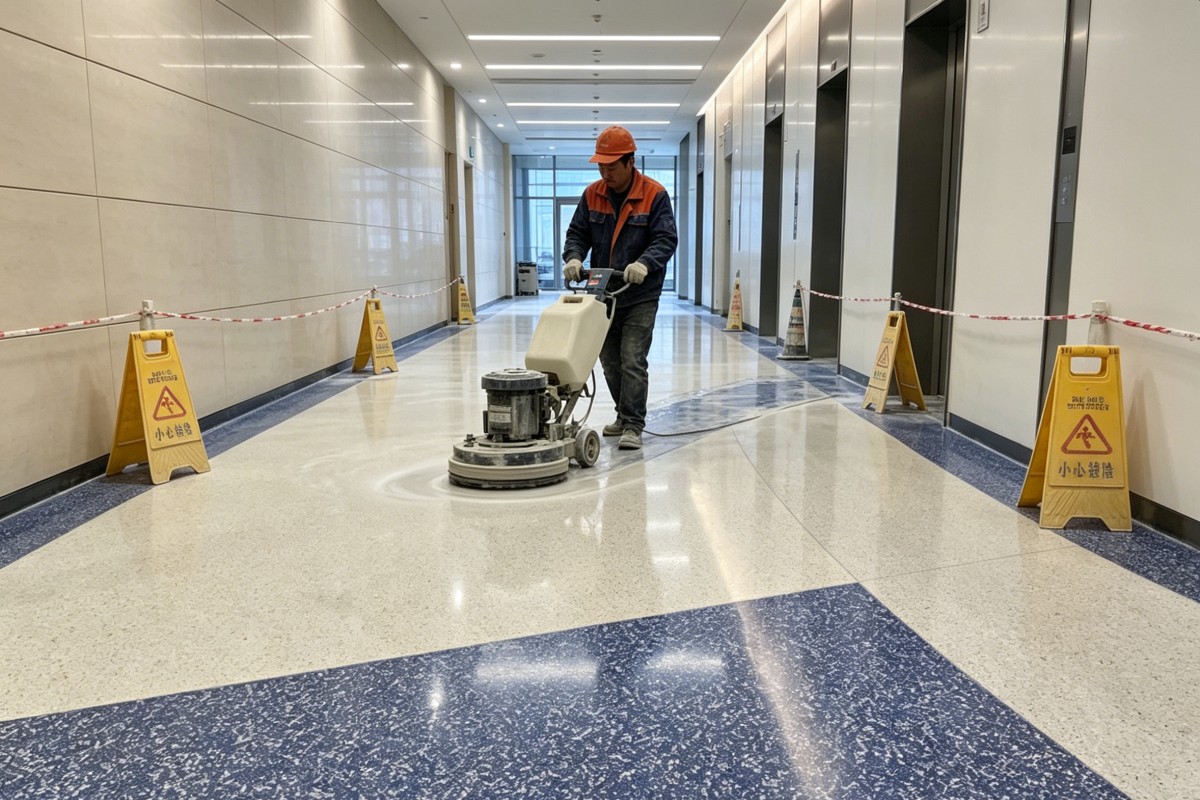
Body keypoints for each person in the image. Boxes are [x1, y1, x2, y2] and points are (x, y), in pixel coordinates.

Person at [562, 126, 678, 451]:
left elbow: (666, 238)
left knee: (632, 359)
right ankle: (623, 414)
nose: (605, 173)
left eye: (611, 166)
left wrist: (644, 263)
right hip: (602, 294)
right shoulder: (592, 194)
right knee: (609, 362)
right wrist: (574, 257)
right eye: (601, 166)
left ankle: (633, 425)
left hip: (640, 294)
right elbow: (577, 233)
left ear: (630, 162)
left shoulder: (654, 194)